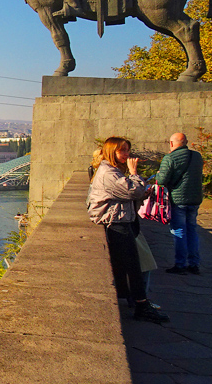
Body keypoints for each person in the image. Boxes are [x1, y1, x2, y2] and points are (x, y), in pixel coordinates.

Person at [87, 136, 168, 322]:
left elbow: (128, 193)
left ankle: (138, 302)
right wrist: (134, 173)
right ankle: (141, 305)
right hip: (116, 223)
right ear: (111, 152)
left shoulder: (112, 170)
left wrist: (140, 191)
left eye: (127, 150)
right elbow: (133, 191)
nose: (127, 154)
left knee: (129, 265)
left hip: (120, 220)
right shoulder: (109, 173)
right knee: (133, 265)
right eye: (122, 150)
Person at [155, 132, 204, 275]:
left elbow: (161, 180)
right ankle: (194, 264)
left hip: (178, 200)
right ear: (186, 142)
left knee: (178, 231)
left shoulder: (170, 158)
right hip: (195, 199)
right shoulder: (197, 156)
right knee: (192, 230)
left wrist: (158, 173)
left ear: (171, 143)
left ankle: (180, 264)